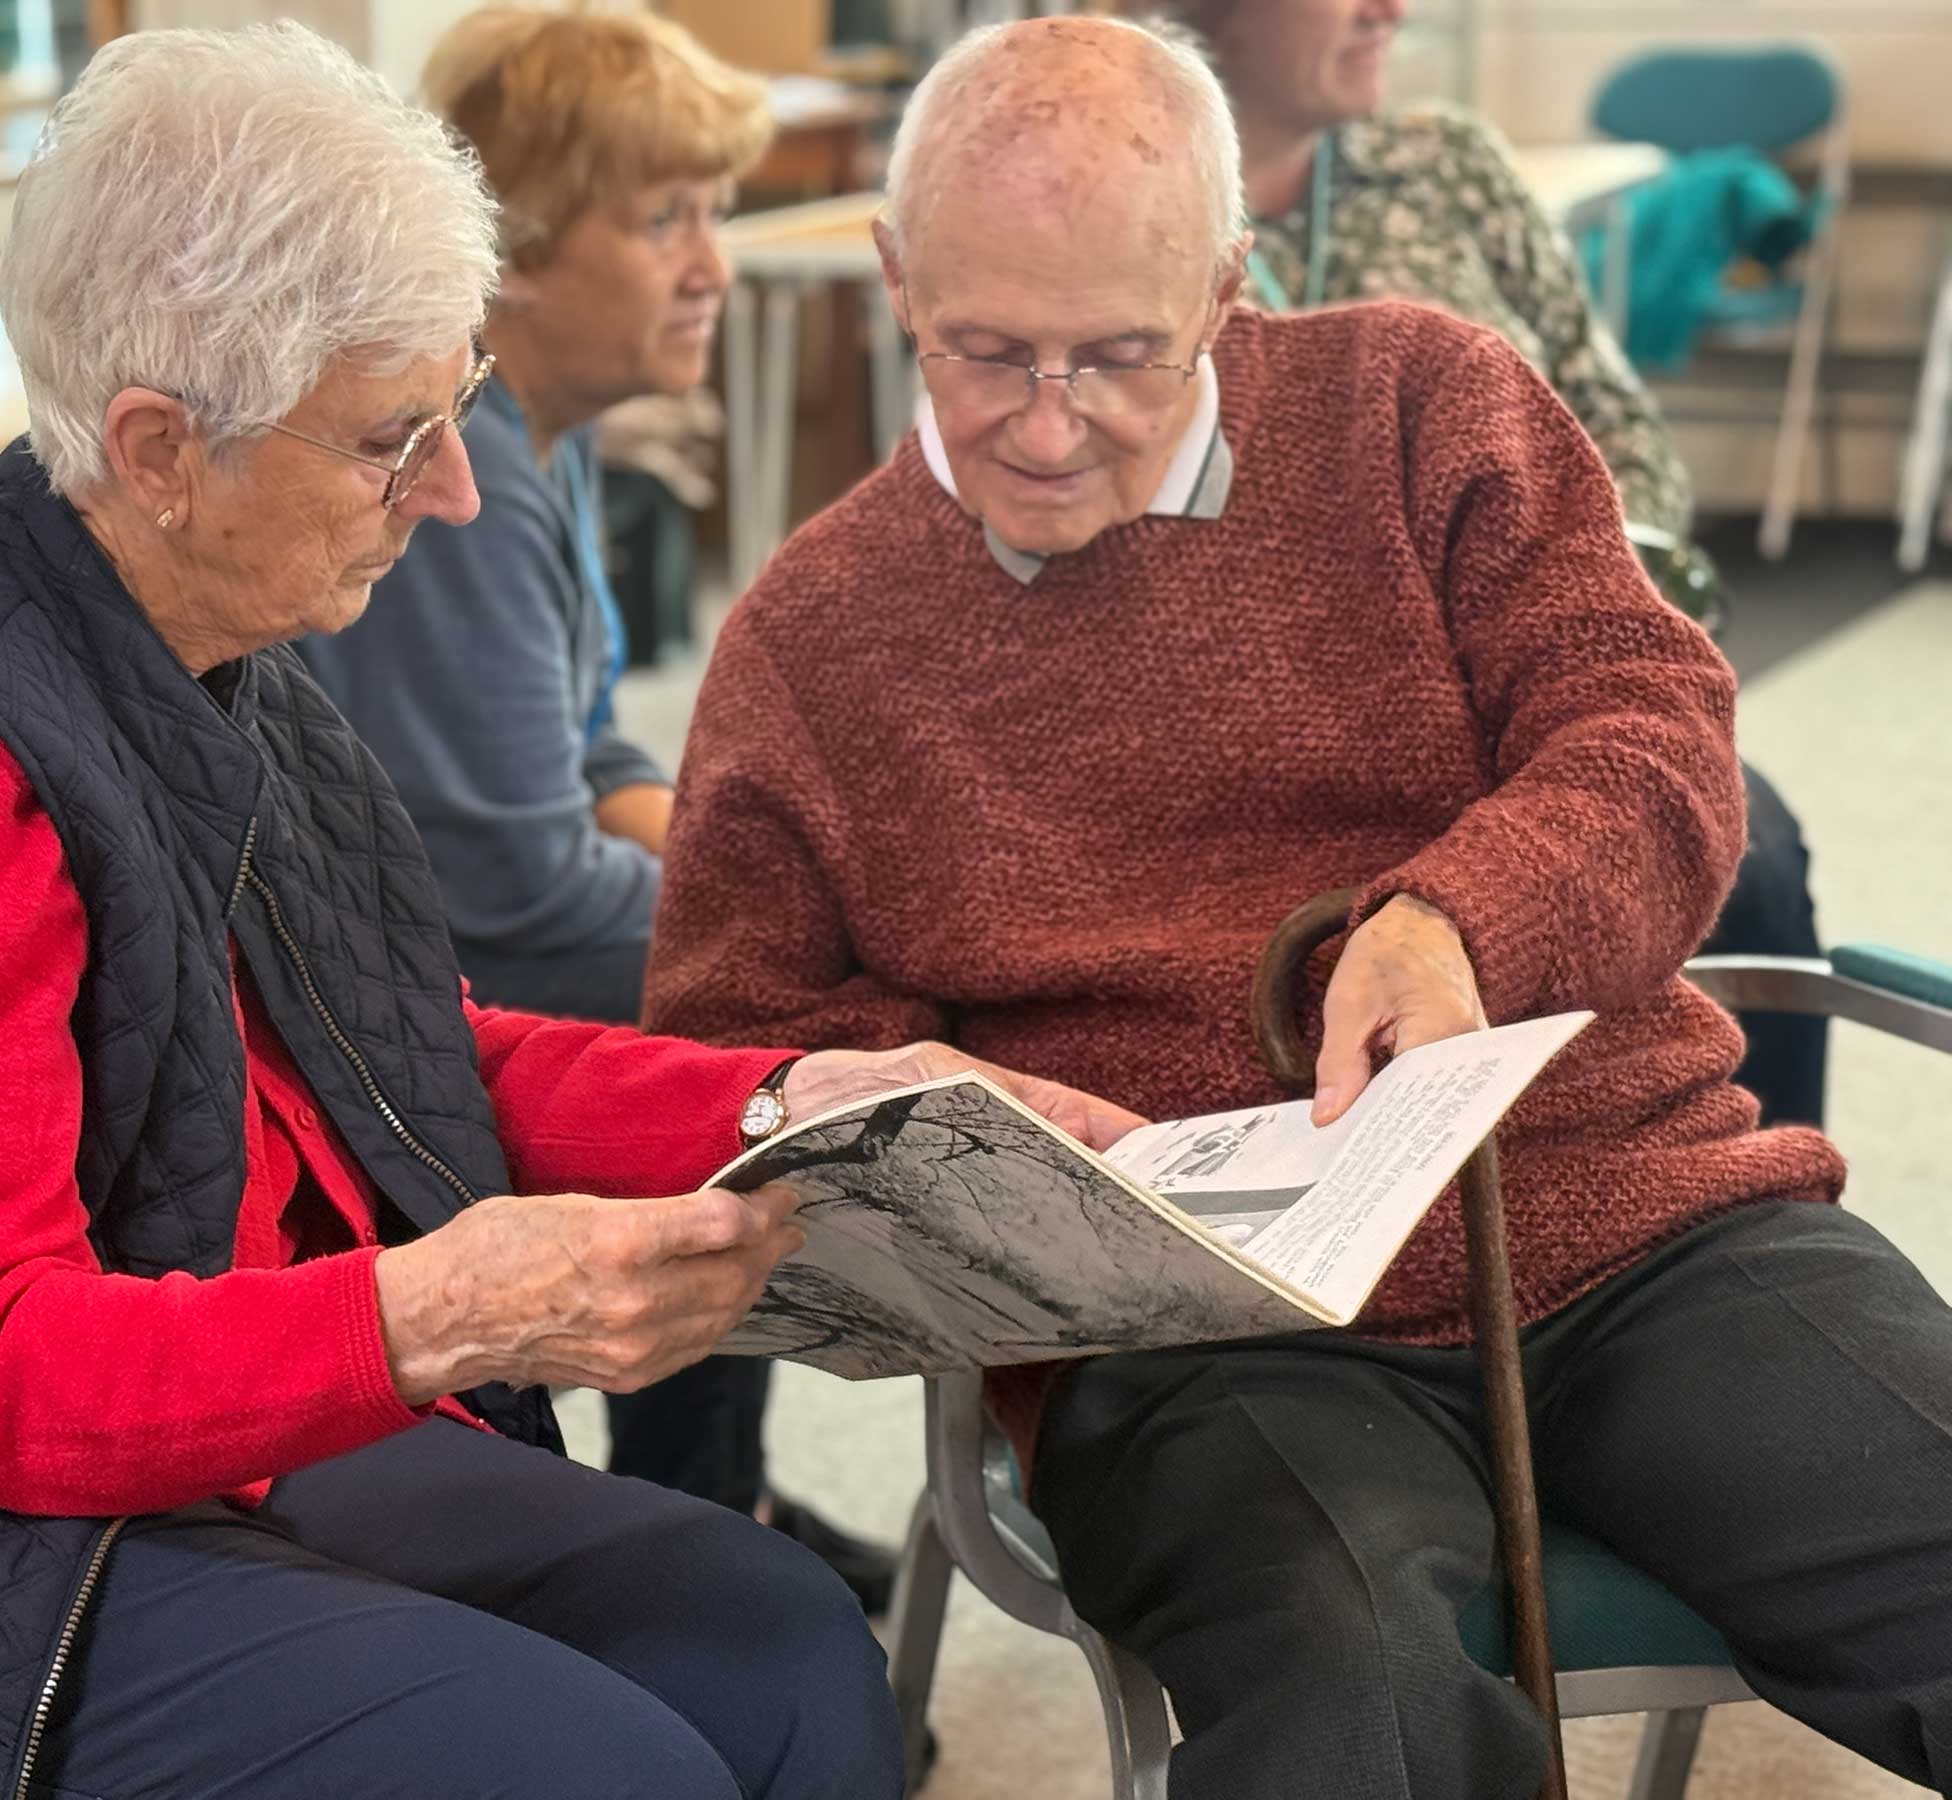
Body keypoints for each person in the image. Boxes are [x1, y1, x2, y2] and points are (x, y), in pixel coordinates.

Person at [0, 26, 1145, 1799]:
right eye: (396, 440)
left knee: (783, 1656)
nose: (453, 492)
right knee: (602, 1769)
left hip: (204, 1419)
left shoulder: (218, 645)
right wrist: (430, 1317)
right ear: (159, 445)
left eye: (454, 416)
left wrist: (792, 1106)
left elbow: (392, 1054)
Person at [645, 18, 1952, 1800]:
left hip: (1632, 1221)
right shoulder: (808, 641)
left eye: (1117, 356)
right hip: (1197, 1345)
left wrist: (1461, 921)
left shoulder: (1419, 401)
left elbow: (1653, 734)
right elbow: (728, 1046)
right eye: (981, 354)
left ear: (1227, 281)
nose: (1046, 424)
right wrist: (936, 1122)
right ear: (896, 279)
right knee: (1363, 1720)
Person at [294, 9, 898, 1609]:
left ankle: (725, 1500)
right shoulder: (463, 492)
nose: (714, 262)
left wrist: (761, 871)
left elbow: (588, 757)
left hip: (473, 945)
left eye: (711, 210)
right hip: (397, 1013)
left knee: (774, 982)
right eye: (662, 220)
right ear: (517, 262)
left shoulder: (540, 453)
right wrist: (791, 948)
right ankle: (696, 1536)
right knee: (760, 1070)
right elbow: (517, 883)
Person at [1130, 0, 1827, 1128]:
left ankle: (1749, 1171)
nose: (1390, 10)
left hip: (1538, 684)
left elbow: (1620, 430)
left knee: (1754, 863)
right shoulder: (1105, 230)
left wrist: (1589, 599)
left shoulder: (1445, 166)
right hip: (1309, 753)